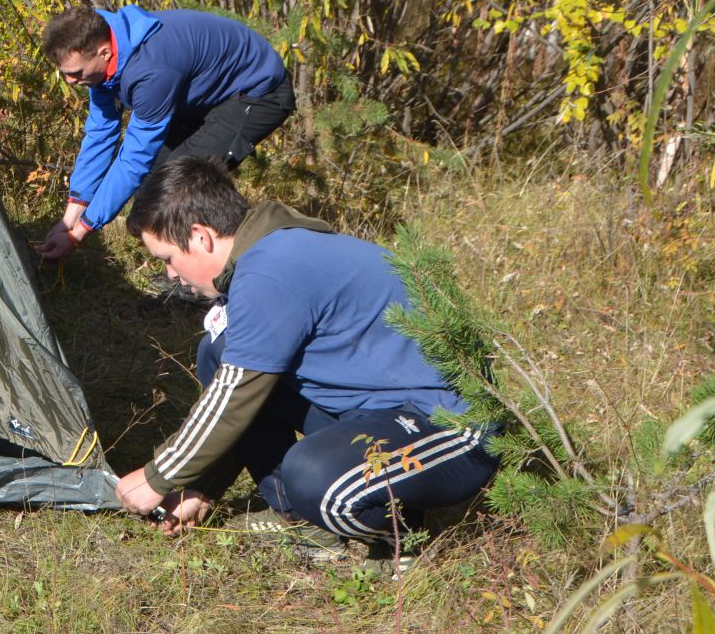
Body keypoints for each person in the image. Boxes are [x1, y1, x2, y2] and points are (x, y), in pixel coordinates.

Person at [113, 157, 497, 561]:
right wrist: (199, 489)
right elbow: (240, 390)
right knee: (219, 348)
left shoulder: (270, 272)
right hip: (379, 408)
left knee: (312, 475)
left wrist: (159, 477)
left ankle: (400, 540)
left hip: (451, 425)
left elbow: (235, 396)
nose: (171, 275)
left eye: (167, 259)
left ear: (201, 236)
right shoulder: (269, 249)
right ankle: (301, 519)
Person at [34, 5, 294, 261]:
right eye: (65, 73)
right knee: (151, 183)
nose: (70, 81)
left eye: (76, 73)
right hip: (207, 95)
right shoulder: (104, 51)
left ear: (104, 53)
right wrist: (70, 219)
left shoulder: (151, 68)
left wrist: (80, 233)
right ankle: (180, 263)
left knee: (176, 188)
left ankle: (212, 274)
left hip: (258, 92)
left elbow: (134, 159)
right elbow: (100, 134)